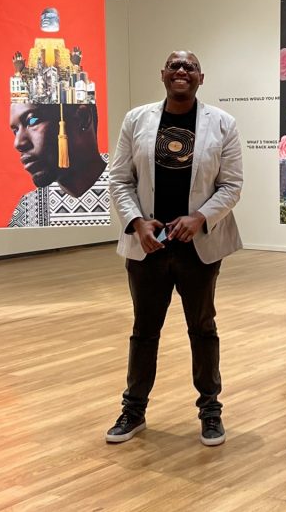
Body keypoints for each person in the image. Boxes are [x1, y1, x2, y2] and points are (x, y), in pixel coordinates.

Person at [106, 50, 243, 446]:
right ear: (163, 74)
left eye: (190, 67)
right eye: (174, 65)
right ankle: (133, 412)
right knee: (144, 330)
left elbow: (231, 185)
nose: (181, 71)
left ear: (202, 78)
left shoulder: (223, 124)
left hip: (198, 247)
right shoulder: (137, 119)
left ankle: (211, 412)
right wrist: (136, 222)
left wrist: (200, 217)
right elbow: (119, 179)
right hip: (147, 245)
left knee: (202, 328)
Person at [8, 102, 109, 227]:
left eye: (32, 120)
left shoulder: (128, 186)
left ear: (82, 118)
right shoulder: (28, 211)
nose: (18, 143)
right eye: (15, 131)